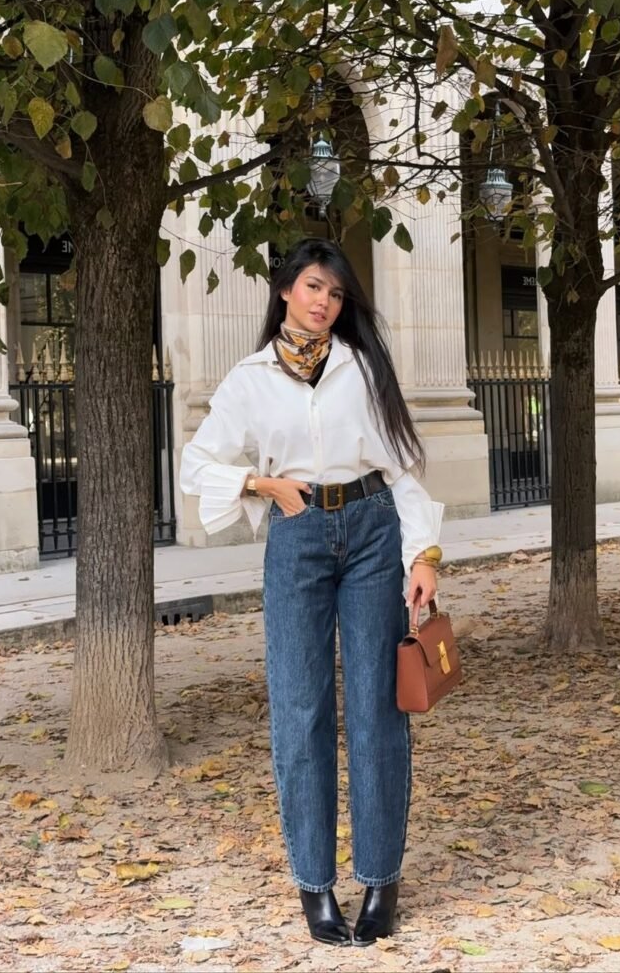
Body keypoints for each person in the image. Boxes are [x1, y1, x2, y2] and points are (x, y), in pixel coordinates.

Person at [180, 238, 444, 947]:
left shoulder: (363, 368)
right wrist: (259, 483)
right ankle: (315, 887)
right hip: (296, 535)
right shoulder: (250, 378)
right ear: (284, 292)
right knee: (298, 709)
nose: (323, 301)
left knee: (375, 710)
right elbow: (195, 460)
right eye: (311, 287)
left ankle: (380, 881)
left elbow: (402, 467)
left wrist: (423, 552)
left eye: (333, 292)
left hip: (371, 530)